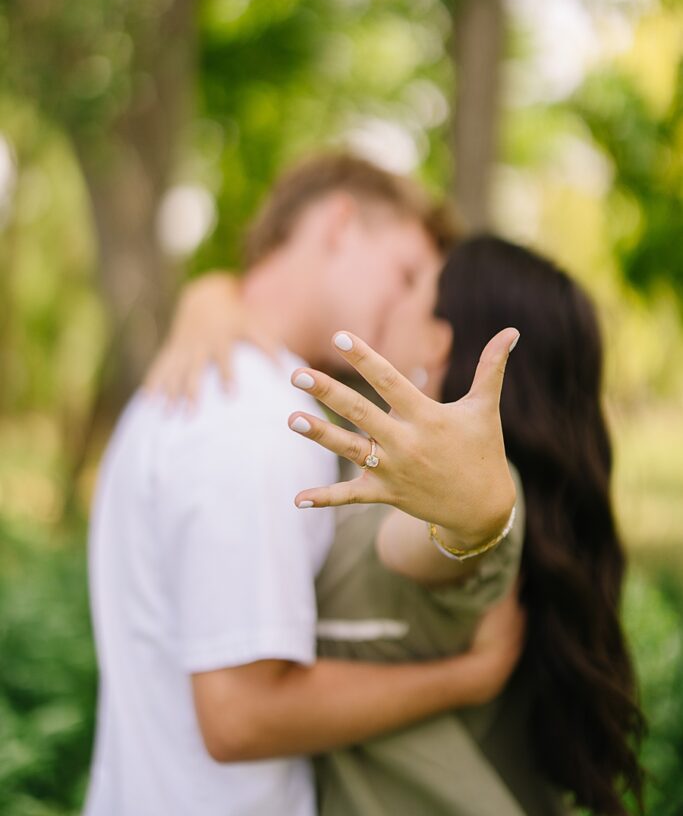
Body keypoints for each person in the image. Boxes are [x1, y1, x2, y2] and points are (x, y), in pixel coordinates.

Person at [85, 154, 523, 816]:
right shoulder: (259, 416)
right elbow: (240, 718)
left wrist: (210, 291)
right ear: (340, 224)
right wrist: (468, 677)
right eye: (405, 273)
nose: (411, 308)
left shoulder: (189, 386)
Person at [153, 234, 645, 816]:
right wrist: (210, 297)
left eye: (415, 284)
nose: (392, 295)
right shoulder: (376, 445)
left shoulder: (483, 491)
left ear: (437, 341)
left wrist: (473, 522)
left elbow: (437, 542)